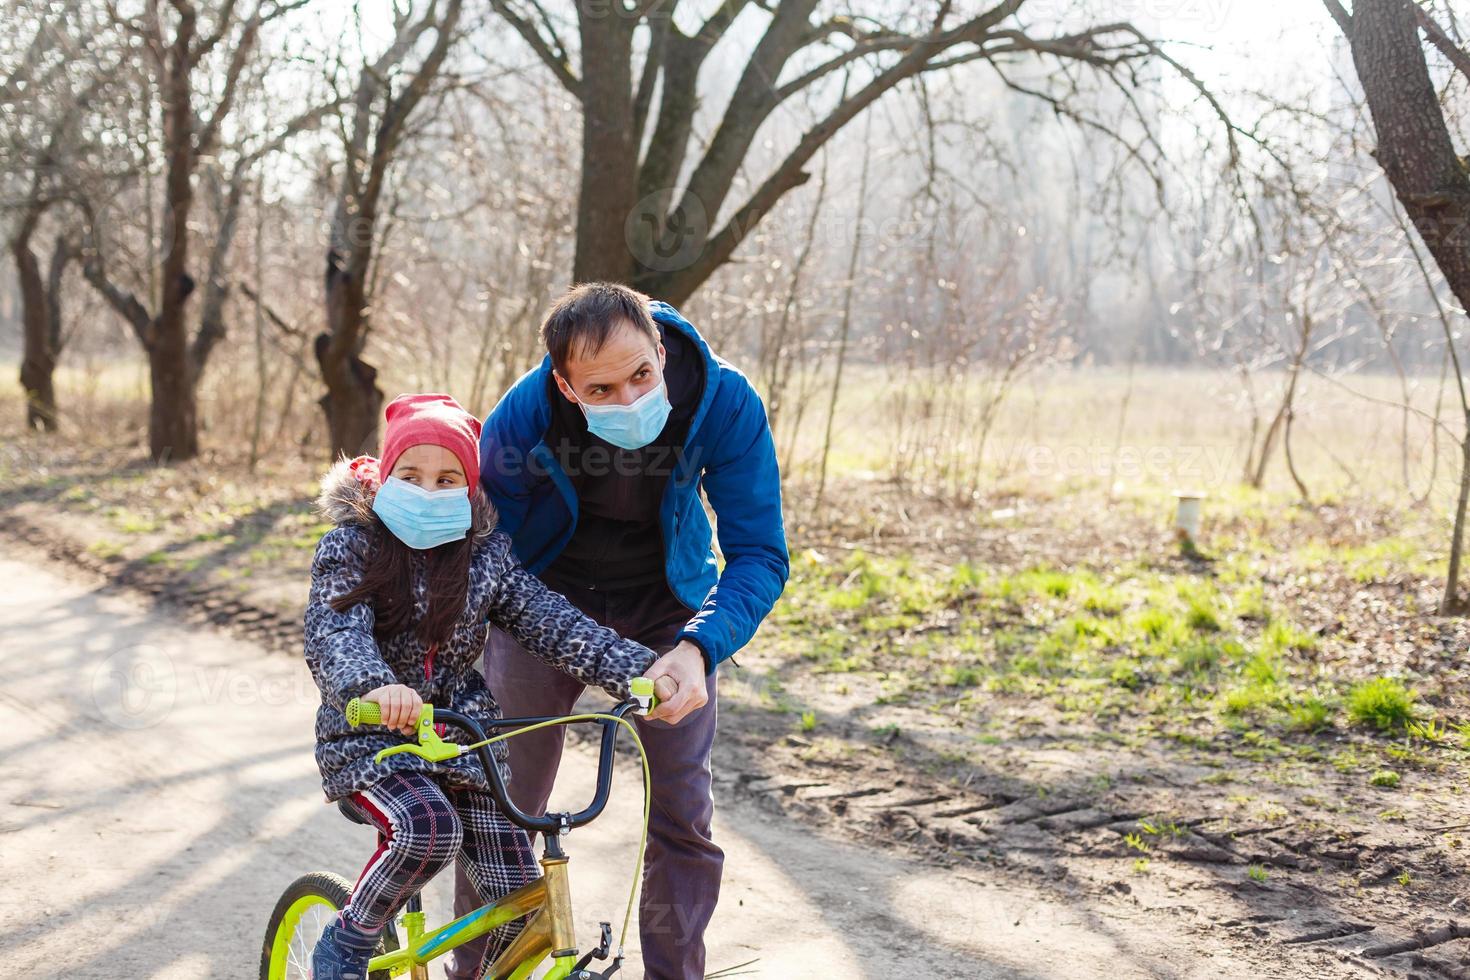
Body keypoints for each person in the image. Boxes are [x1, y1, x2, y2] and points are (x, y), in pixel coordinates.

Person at [448, 282, 789, 980]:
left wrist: (699, 648)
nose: (631, 399)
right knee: (504, 805)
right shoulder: (524, 418)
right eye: (601, 389)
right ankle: (477, 973)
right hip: (543, 602)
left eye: (642, 374)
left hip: (669, 609)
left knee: (683, 815)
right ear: (566, 387)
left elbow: (759, 552)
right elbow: (489, 554)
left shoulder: (724, 403)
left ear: (661, 351)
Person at [303, 392, 656, 980]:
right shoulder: (352, 547)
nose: (427, 490)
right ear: (386, 475)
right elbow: (334, 632)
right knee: (429, 830)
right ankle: (349, 938)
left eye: (447, 479)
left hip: (463, 741)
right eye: (410, 475)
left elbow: (550, 621)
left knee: (517, 901)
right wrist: (373, 687)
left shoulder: (486, 556)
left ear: (469, 490)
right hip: (371, 742)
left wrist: (635, 669)